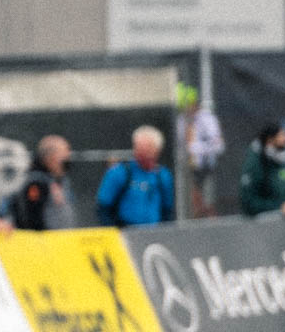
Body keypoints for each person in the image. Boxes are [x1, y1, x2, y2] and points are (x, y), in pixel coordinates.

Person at [96, 126, 177, 228]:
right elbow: (103, 206)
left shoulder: (163, 176)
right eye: (138, 147)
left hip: (155, 232)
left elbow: (167, 208)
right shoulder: (120, 173)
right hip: (126, 230)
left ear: (156, 150)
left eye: (147, 148)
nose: (141, 153)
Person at [10, 135, 78, 231]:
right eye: (64, 152)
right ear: (50, 157)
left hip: (62, 240)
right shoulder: (36, 182)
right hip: (44, 242)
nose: (68, 156)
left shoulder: (60, 180)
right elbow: (31, 216)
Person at [176, 85, 225, 217]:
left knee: (208, 202)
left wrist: (196, 148)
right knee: (192, 203)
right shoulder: (181, 120)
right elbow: (181, 145)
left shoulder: (207, 119)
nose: (186, 111)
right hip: (188, 170)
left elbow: (218, 146)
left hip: (207, 168)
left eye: (188, 106)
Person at [238, 124, 285, 217]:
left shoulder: (281, 160)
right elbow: (249, 202)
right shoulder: (256, 163)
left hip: (281, 223)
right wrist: (278, 207)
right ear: (270, 139)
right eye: (281, 135)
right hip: (261, 226)